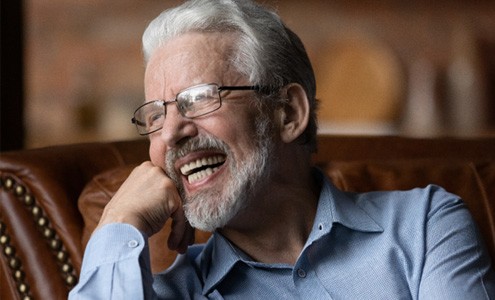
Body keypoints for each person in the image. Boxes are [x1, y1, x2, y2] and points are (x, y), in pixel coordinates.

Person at [69, 0, 495, 299]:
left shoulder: (425, 228)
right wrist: (118, 222)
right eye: (156, 115)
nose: (171, 133)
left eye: (198, 98)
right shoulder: (170, 293)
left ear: (288, 113)